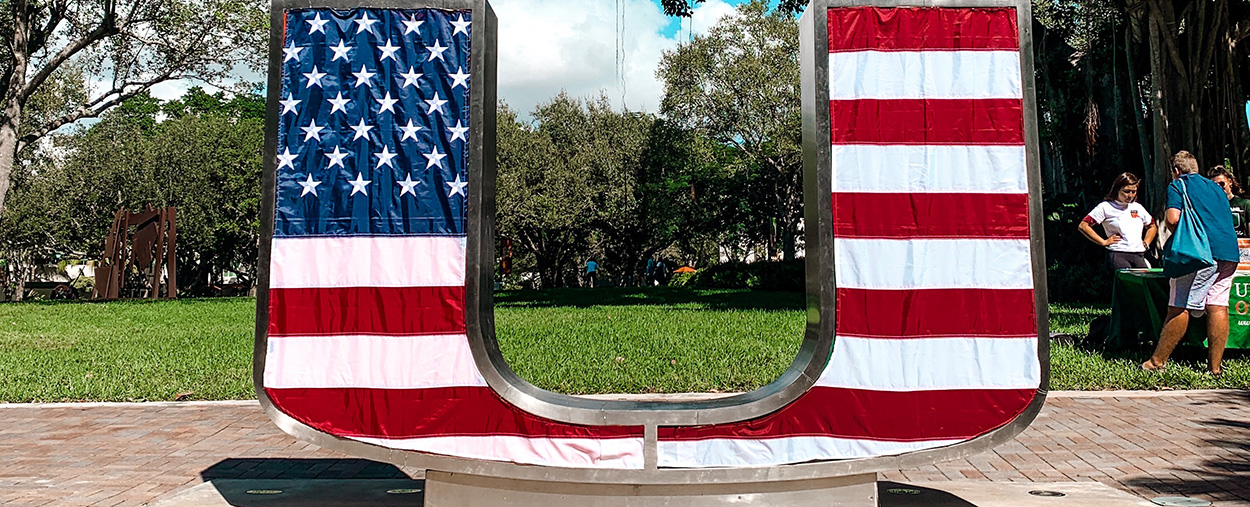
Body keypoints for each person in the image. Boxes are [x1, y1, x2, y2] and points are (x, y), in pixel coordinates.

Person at [1142, 151, 1239, 377]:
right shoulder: (1216, 188)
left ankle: (1157, 362)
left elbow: (1173, 218)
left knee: (1180, 304)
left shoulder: (1178, 185)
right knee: (1217, 305)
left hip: (1199, 253)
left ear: (1176, 171)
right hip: (1229, 252)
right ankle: (1214, 368)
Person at [1078, 172, 1158, 270]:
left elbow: (1152, 226)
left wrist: (1146, 242)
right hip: (1118, 253)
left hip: (1139, 254)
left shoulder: (1138, 207)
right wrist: (1103, 242)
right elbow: (1083, 225)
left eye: (1134, 192)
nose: (1130, 195)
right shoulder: (1105, 207)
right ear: (1117, 190)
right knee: (1126, 283)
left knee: (1143, 283)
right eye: (1126, 191)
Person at [1207, 165, 1250, 238]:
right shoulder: (1209, 208)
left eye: (1222, 183)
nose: (1219, 188)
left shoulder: (1245, 204)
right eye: (1215, 185)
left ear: (1230, 182)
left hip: (1243, 246)